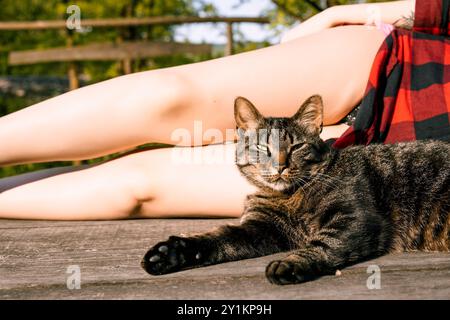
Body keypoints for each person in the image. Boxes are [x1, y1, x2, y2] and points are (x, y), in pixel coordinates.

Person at [0, 0, 435, 220]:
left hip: (393, 164)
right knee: (164, 98)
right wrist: (360, 11)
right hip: (401, 64)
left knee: (140, 186)